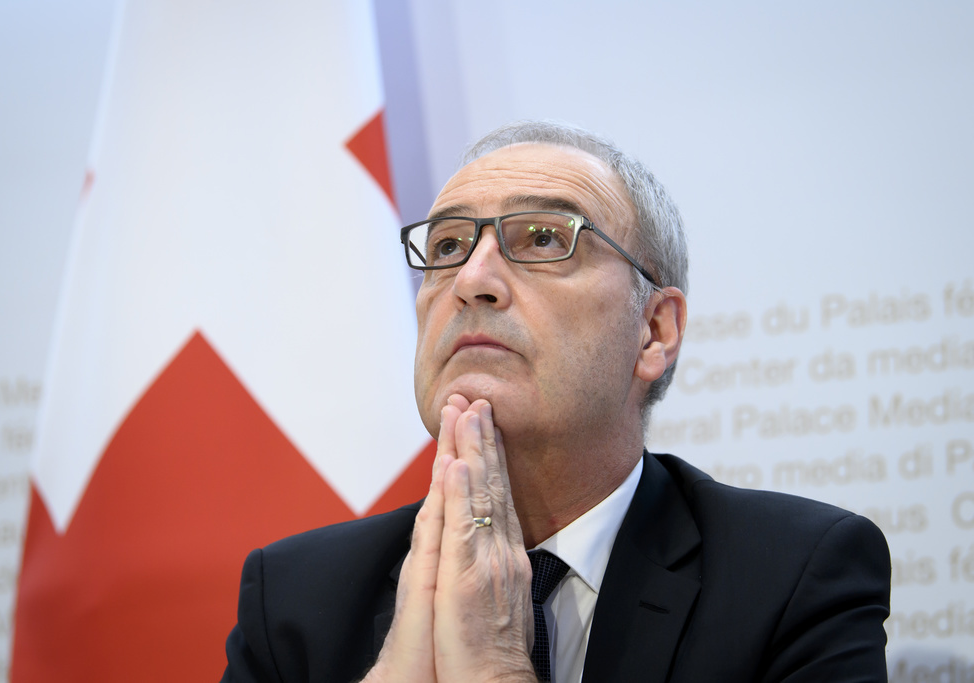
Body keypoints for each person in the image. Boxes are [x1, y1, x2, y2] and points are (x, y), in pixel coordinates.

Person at [221, 121, 890, 682]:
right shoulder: (294, 599)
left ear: (655, 331)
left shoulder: (794, 576)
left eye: (543, 238)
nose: (472, 279)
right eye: (448, 245)